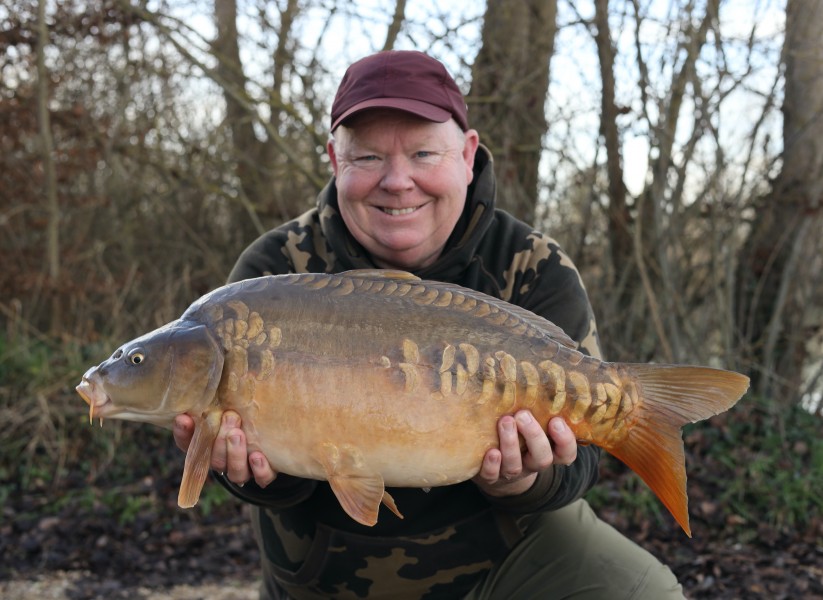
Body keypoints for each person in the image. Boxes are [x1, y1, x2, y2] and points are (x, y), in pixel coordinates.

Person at [173, 50, 684, 599]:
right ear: (333, 160)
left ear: (467, 155)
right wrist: (251, 471)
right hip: (328, 558)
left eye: (423, 153)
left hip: (502, 551)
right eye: (367, 157)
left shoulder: (532, 266)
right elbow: (255, 474)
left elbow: (579, 468)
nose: (398, 181)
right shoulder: (272, 273)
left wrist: (525, 479)